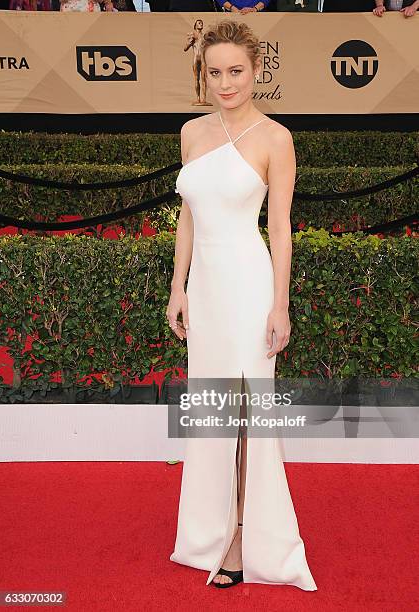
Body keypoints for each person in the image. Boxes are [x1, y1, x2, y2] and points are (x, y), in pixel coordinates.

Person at [167, 19, 317, 590]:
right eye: (215, 72)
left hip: (250, 287)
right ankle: (212, 530)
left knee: (250, 415)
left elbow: (280, 229)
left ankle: (242, 535)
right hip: (205, 290)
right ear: (202, 76)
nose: (225, 82)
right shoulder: (190, 133)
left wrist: (280, 305)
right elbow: (187, 217)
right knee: (214, 412)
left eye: (236, 71)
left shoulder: (275, 139)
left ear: (256, 72)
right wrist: (178, 287)